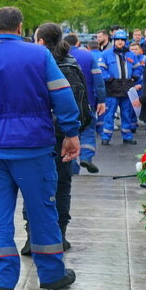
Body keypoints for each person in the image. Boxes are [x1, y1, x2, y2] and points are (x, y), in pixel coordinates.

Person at [0, 6, 80, 290]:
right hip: (34, 148)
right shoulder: (39, 55)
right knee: (43, 212)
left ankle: (3, 281)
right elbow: (63, 96)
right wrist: (71, 133)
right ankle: (52, 274)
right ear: (20, 28)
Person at [20, 22, 90, 255]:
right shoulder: (71, 64)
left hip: (40, 136)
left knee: (33, 186)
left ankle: (34, 237)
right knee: (61, 186)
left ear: (40, 42)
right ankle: (59, 235)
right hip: (64, 136)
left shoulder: (35, 65)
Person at [66, 32, 106, 174]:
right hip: (87, 101)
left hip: (65, 103)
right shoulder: (88, 56)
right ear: (78, 43)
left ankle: (72, 165)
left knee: (69, 131)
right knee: (88, 129)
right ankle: (86, 156)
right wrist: (101, 100)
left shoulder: (57, 57)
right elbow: (98, 81)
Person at [99, 28, 141, 144]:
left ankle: (127, 137)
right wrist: (110, 79)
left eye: (122, 40)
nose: (120, 42)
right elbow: (101, 69)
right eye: (118, 39)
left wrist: (135, 77)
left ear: (125, 41)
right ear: (114, 40)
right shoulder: (106, 54)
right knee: (109, 114)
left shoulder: (131, 54)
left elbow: (138, 68)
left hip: (127, 87)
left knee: (126, 113)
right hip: (113, 88)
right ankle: (106, 138)